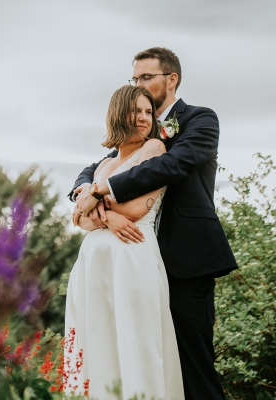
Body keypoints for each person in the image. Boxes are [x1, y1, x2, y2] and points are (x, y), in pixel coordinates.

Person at [69, 47, 238, 399]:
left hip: (186, 257)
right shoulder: (136, 135)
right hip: (136, 261)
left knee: (193, 364)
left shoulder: (200, 119)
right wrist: (87, 193)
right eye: (136, 79)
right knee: (134, 352)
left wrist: (102, 191)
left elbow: (172, 166)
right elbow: (95, 168)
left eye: (147, 77)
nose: (140, 83)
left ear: (171, 78)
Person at [65, 85, 184, 399]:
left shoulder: (154, 150)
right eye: (137, 111)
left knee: (136, 341)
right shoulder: (102, 167)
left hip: (132, 259)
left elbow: (134, 209)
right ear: (119, 114)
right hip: (93, 266)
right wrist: (108, 217)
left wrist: (99, 210)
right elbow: (77, 218)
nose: (145, 118)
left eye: (149, 112)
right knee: (96, 341)